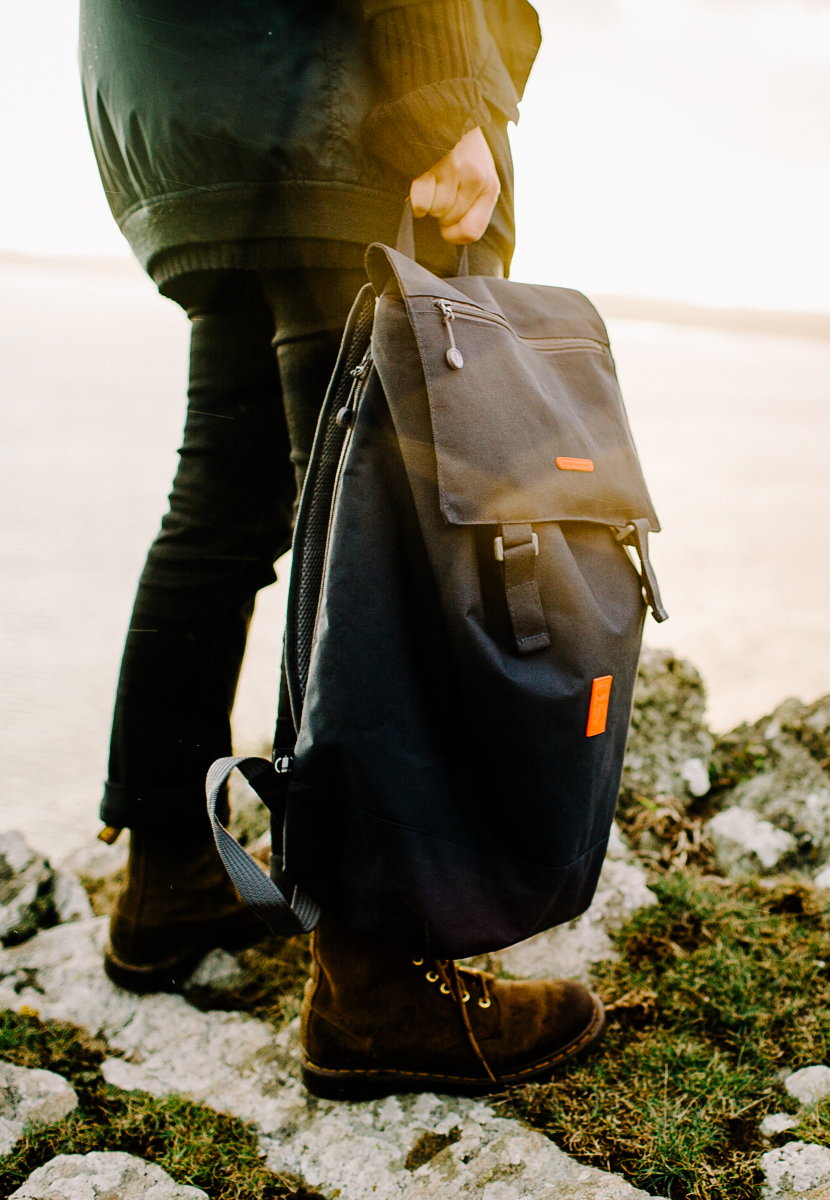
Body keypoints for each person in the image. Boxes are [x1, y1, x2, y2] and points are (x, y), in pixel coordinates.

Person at [78, 0, 605, 1095]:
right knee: (395, 548)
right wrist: (439, 103)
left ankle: (167, 878)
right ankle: (374, 980)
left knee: (227, 500)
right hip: (345, 110)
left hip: (202, 115)